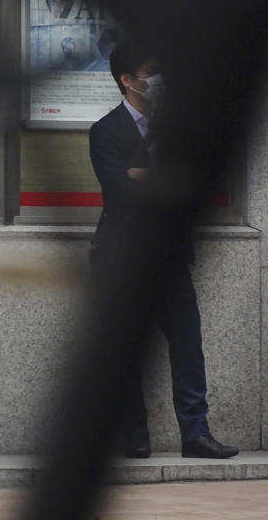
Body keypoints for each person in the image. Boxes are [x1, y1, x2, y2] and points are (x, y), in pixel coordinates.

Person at [88, 41, 238, 459]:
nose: (159, 81)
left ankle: (196, 434)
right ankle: (136, 437)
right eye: (151, 72)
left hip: (170, 254)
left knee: (188, 345)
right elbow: (118, 193)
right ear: (127, 80)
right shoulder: (104, 130)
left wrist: (146, 177)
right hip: (121, 257)